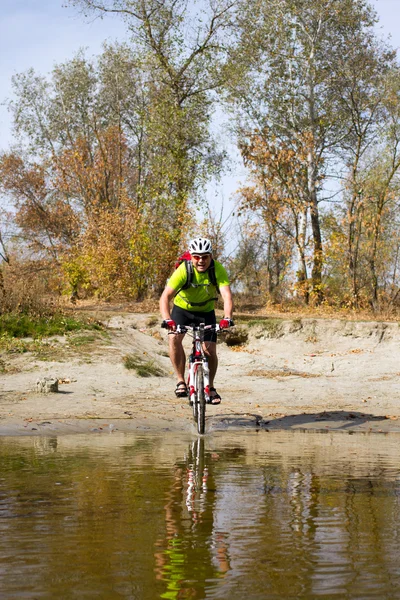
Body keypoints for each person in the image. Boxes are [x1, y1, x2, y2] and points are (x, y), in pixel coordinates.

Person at [160, 237, 234, 404]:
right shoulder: (183, 270)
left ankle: (211, 387)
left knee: (210, 351)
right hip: (182, 310)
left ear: (211, 256)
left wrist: (227, 318)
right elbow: (165, 297)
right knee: (174, 339)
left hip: (206, 312)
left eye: (205, 256)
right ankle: (180, 381)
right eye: (197, 257)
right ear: (191, 256)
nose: (201, 261)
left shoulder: (217, 270)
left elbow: (227, 296)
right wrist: (167, 319)